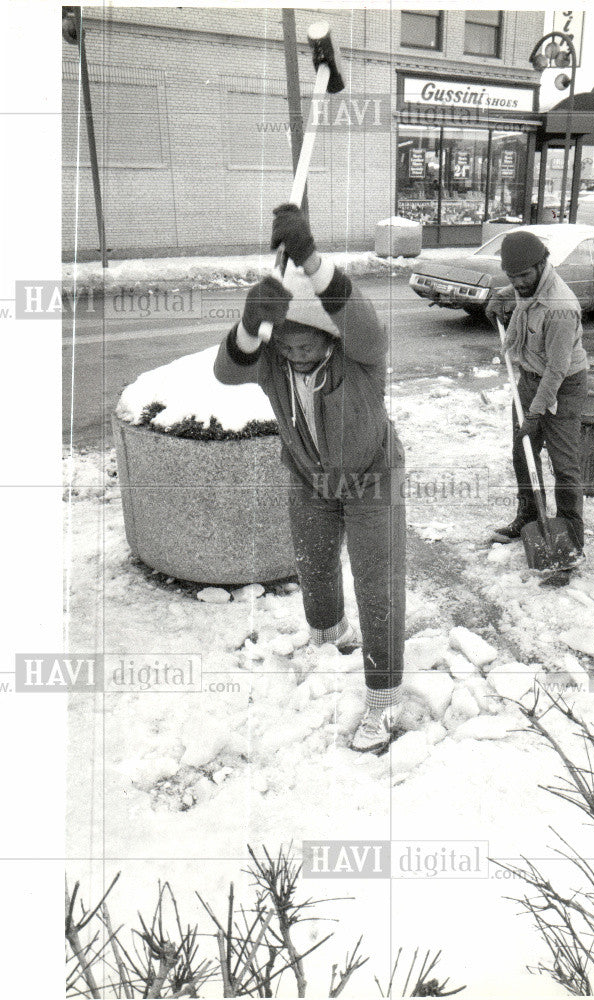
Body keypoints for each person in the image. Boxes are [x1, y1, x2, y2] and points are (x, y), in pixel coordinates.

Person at [213, 204, 405, 753]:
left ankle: (384, 697)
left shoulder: (360, 354)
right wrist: (251, 326)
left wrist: (311, 261)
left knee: (377, 583)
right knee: (314, 562)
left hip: (373, 479)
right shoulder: (274, 358)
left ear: (328, 336)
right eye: (285, 339)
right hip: (308, 476)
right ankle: (327, 630)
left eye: (305, 339)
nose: (293, 349)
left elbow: (363, 320)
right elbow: (226, 372)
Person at [485, 230, 588, 568]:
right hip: (530, 379)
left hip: (564, 385)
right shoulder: (525, 286)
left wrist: (534, 413)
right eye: (511, 276)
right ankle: (528, 519)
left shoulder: (561, 308)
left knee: (565, 464)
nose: (519, 283)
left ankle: (571, 538)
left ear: (543, 265)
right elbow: (515, 292)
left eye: (524, 275)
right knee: (523, 452)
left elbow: (556, 372)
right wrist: (500, 297)